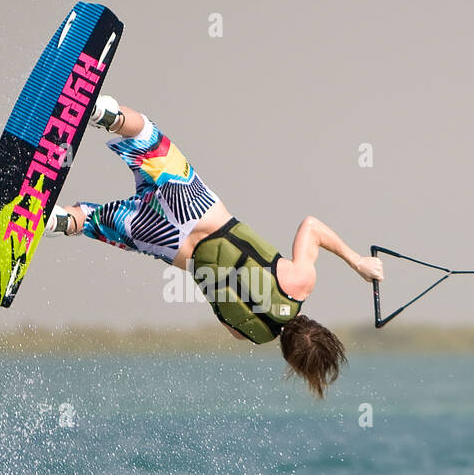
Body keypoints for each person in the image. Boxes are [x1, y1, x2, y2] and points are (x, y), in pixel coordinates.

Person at [47, 96, 384, 399]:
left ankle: (105, 113)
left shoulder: (300, 283)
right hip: (171, 245)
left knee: (146, 137)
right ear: (289, 358)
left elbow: (312, 226)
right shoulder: (248, 335)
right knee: (92, 221)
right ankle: (59, 221)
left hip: (198, 209)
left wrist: (358, 263)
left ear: (318, 327)